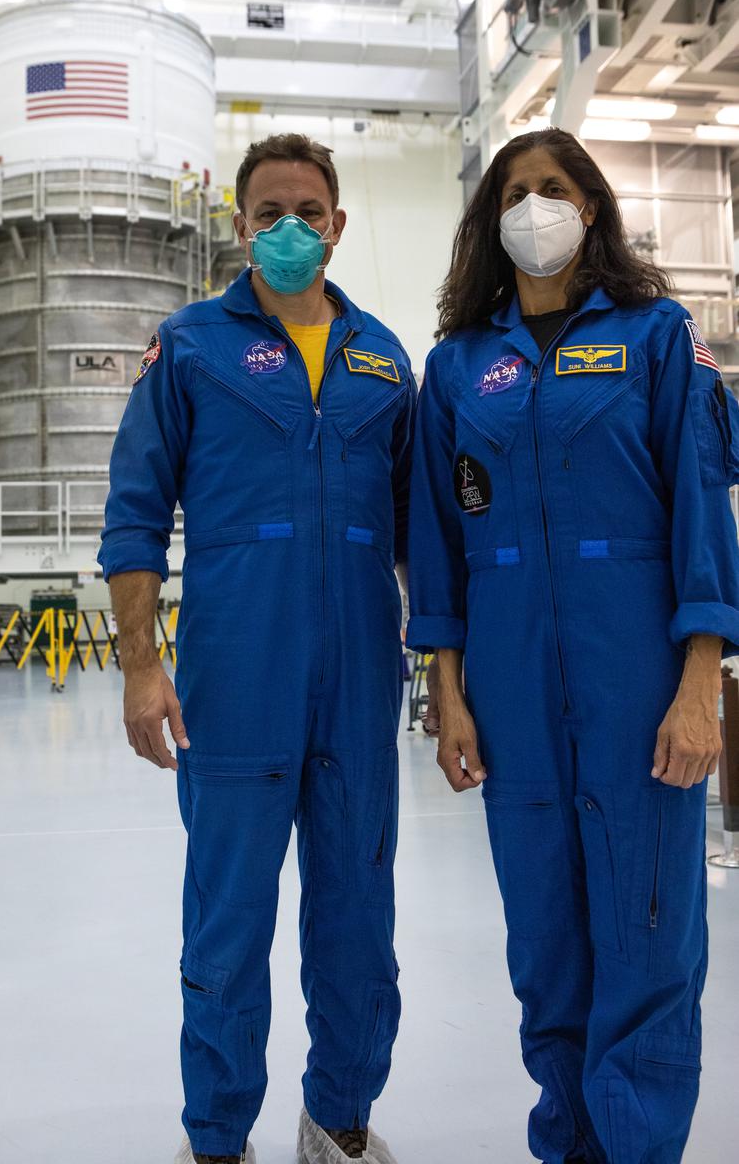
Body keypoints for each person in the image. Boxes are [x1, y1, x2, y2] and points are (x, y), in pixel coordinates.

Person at [407, 127, 739, 1164]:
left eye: (554, 188)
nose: (535, 207)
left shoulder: (655, 338)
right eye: (516, 191)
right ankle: (571, 1147)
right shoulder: (459, 367)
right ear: (489, 218)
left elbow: (698, 514)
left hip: (635, 677)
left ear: (590, 207)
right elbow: (437, 540)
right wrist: (446, 689)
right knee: (548, 953)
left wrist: (700, 682)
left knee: (645, 948)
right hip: (508, 688)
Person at [99, 134, 414, 1164]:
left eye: (308, 210)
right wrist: (143, 663)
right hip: (237, 675)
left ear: (338, 224)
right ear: (239, 226)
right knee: (227, 925)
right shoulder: (189, 345)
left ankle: (340, 1122)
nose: (290, 227)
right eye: (268, 210)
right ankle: (217, 1138)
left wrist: (452, 673)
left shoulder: (382, 357)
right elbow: (135, 516)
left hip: (362, 683)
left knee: (358, 924)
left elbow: (428, 538)